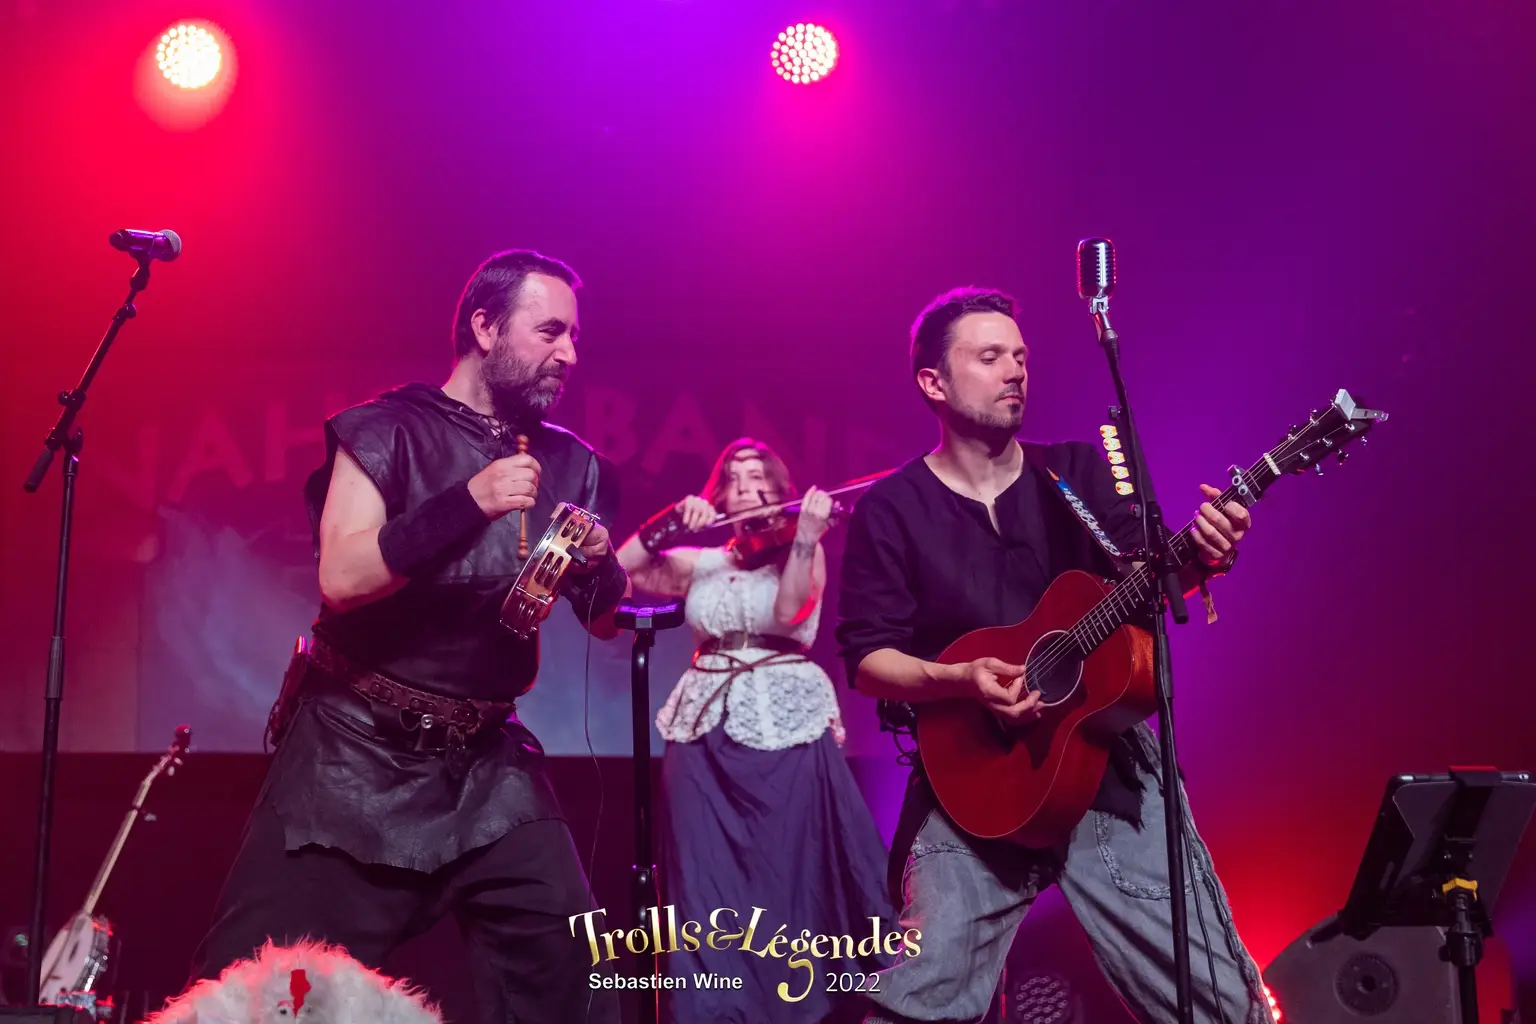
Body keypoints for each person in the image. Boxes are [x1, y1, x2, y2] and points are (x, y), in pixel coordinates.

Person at [188, 250, 630, 1024]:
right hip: (353, 752)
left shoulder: (574, 463)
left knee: (572, 965)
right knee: (257, 989)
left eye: (575, 337)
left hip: (488, 764)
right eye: (550, 332)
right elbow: (343, 576)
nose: (569, 353)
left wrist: (601, 566)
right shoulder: (385, 430)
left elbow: (600, 619)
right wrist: (469, 501)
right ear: (485, 327)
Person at [834, 287, 1271, 1024]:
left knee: (1215, 1001)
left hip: (1101, 765)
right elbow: (867, 657)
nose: (1015, 371)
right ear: (933, 382)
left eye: (1021, 356)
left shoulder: (1074, 472)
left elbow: (1145, 579)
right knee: (917, 1001)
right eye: (990, 356)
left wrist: (1202, 557)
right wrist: (959, 679)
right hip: (973, 782)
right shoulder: (892, 509)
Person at [617, 438, 896, 1024]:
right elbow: (622, 570)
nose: (746, 488)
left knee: (788, 871)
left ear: (781, 490)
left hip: (785, 720)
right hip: (702, 722)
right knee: (700, 877)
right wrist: (669, 524)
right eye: (734, 479)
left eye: (759, 477)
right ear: (720, 496)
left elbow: (792, 610)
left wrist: (807, 537)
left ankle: (797, 1006)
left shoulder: (802, 548)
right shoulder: (704, 562)